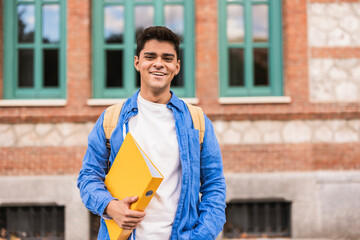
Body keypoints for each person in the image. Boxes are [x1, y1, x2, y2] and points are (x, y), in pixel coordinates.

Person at [77, 26, 226, 240]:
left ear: (177, 66)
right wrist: (110, 206)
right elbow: (88, 177)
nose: (158, 64)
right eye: (150, 56)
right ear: (137, 62)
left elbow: (215, 186)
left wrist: (200, 236)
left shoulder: (197, 121)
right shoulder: (112, 119)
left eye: (167, 58)